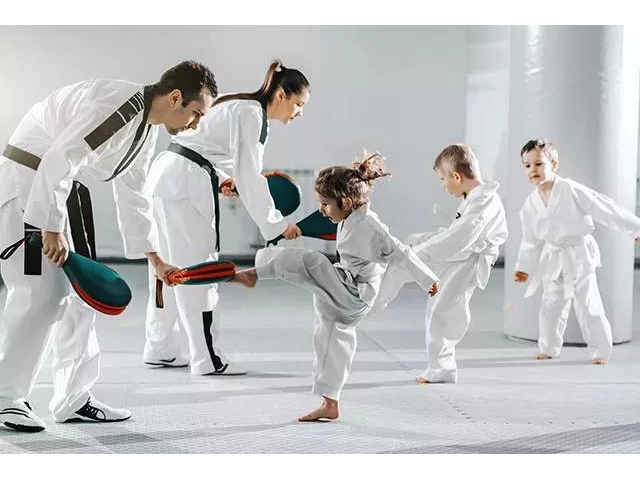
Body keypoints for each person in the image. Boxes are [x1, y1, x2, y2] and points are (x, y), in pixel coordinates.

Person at [0, 60, 218, 432]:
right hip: (29, 187)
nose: (195, 123)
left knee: (82, 295)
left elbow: (134, 195)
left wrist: (155, 258)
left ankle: (73, 397)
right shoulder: (120, 105)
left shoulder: (145, 129)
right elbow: (59, 158)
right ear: (175, 97)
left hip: (60, 192)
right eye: (196, 113)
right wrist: (49, 226)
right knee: (41, 294)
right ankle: (6, 396)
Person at [232, 152, 439, 422]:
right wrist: (292, 228)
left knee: (311, 261)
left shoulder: (370, 226)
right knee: (329, 340)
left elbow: (402, 253)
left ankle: (255, 273)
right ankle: (330, 401)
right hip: (343, 288)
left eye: (325, 204)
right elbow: (321, 221)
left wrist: (428, 279)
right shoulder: (347, 216)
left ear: (347, 202)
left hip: (356, 293)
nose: (322, 210)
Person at [142, 60, 309, 376]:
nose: (299, 112)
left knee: (168, 270)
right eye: (299, 104)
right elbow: (250, 175)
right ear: (281, 95)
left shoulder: (238, 103)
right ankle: (207, 359)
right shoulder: (253, 114)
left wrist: (221, 180)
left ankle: (160, 348)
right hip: (185, 184)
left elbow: (202, 147)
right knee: (198, 270)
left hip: (166, 177)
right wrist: (276, 225)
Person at [376, 144, 507, 384]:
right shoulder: (477, 197)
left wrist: (423, 251)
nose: (443, 186)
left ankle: (442, 368)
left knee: (442, 310)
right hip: (461, 255)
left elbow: (461, 238)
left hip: (467, 261)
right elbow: (458, 233)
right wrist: (422, 243)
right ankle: (379, 295)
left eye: (442, 180)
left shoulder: (484, 201)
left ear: (457, 177)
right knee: (412, 247)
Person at [514, 138, 640, 364]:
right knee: (550, 306)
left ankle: (601, 350)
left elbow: (604, 207)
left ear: (554, 164)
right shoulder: (531, 203)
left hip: (578, 254)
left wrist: (634, 228)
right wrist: (524, 267)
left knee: (588, 305)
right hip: (553, 257)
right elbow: (530, 239)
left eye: (539, 164)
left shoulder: (569, 188)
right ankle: (549, 347)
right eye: (527, 165)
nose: (533, 169)